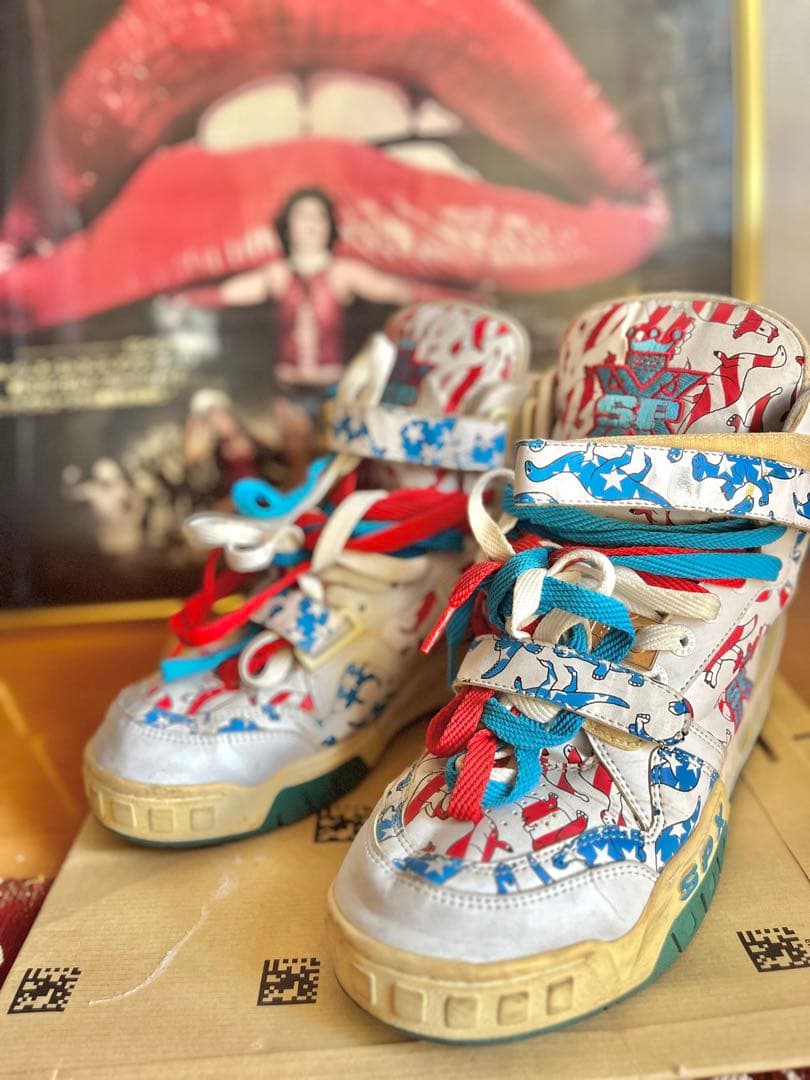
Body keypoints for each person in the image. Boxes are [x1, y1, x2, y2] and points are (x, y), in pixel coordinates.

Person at [178, 189, 463, 480]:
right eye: (303, 216)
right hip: (290, 393)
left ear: (330, 225)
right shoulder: (277, 275)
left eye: (319, 216)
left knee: (341, 473)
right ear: (287, 226)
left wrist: (462, 298)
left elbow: (400, 291)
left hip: (336, 391)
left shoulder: (343, 273)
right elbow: (225, 294)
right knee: (299, 474)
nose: (311, 224)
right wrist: (179, 300)